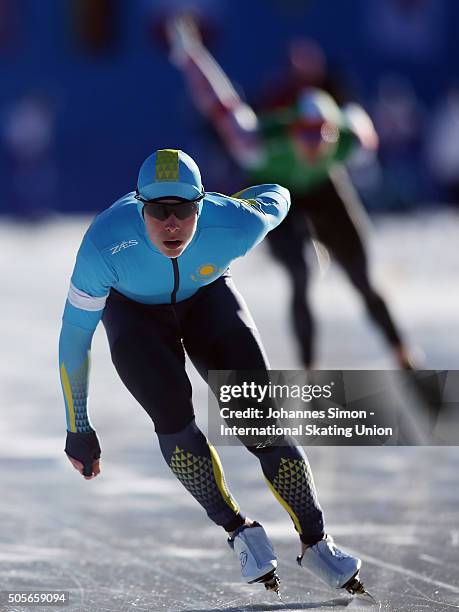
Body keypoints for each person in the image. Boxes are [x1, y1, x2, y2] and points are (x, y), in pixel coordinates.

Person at [59, 148, 372, 599]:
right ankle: (239, 530)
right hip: (134, 317)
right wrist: (78, 426)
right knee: (171, 418)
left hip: (208, 299)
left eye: (183, 210)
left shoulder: (236, 224)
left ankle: (317, 542)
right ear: (138, 205)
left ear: (202, 206)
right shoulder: (103, 243)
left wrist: (240, 203)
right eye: (158, 211)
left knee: (261, 422)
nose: (171, 224)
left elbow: (277, 195)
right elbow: (74, 340)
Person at [166, 15, 414, 370]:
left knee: (361, 275)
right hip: (275, 194)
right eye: (307, 135)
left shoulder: (350, 140)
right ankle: (308, 367)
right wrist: (190, 52)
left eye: (323, 136)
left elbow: (360, 121)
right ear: (292, 131)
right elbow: (218, 99)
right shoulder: (258, 141)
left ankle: (400, 349)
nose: (315, 144)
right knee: (300, 275)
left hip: (323, 188)